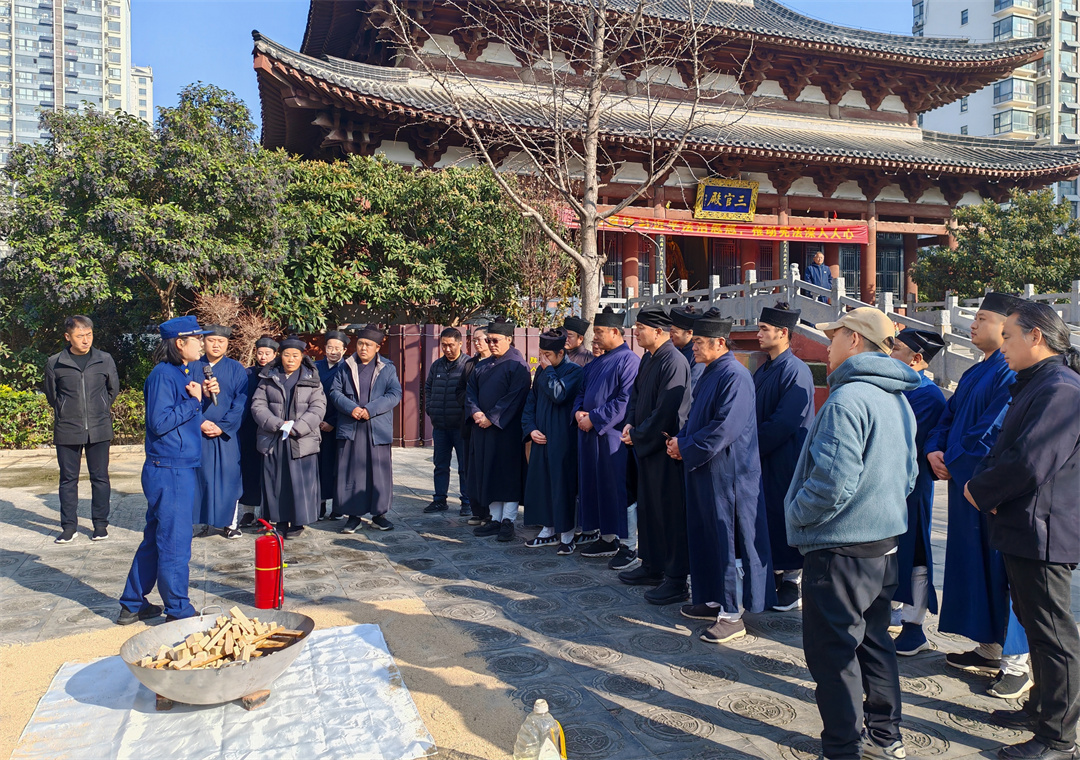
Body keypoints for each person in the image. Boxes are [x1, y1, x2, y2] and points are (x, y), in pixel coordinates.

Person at [785, 307, 920, 760]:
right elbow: (909, 474)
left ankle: (842, 748)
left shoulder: (849, 399)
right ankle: (886, 736)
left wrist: (798, 514)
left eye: (836, 336)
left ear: (856, 341)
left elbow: (832, 482)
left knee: (834, 655)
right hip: (883, 544)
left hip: (839, 547)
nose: (828, 344)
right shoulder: (897, 397)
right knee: (876, 643)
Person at [965, 302, 1080, 760]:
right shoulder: (1036, 384)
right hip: (1025, 524)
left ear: (1036, 337)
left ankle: (1059, 738)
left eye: (1009, 336)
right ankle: (1039, 709)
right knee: (1037, 627)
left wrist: (980, 490)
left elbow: (1031, 461)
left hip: (1044, 528)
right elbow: (1004, 446)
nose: (1003, 346)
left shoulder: (1061, 389)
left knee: (1055, 635)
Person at [926, 291, 1032, 699]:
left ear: (1006, 326)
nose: (973, 324)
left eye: (983, 318)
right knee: (976, 566)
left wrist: (956, 460)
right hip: (963, 483)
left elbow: (992, 430)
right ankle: (990, 646)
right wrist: (936, 449)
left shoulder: (1010, 370)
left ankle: (1018, 662)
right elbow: (947, 417)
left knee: (1004, 570)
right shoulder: (973, 372)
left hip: (989, 486)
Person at [667, 310, 771, 644]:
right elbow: (698, 419)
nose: (693, 348)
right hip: (705, 467)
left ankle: (731, 613)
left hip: (729, 472)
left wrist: (686, 448)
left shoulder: (735, 376)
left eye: (698, 342)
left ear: (720, 342)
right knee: (706, 535)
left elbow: (723, 428)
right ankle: (712, 598)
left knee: (727, 540)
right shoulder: (710, 370)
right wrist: (681, 442)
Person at [117, 316, 212, 625]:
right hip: (169, 469)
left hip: (174, 466)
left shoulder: (179, 372)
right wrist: (194, 403)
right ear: (179, 343)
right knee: (174, 540)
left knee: (156, 536)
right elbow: (159, 423)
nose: (203, 343)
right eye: (197, 338)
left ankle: (133, 602)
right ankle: (178, 609)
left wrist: (201, 398)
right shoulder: (163, 375)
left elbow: (180, 417)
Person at [619, 305, 692, 603]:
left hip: (663, 447)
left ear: (659, 332)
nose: (636, 332)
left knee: (669, 513)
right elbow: (636, 397)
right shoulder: (648, 358)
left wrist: (638, 434)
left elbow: (667, 411)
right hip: (644, 444)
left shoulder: (673, 361)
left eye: (641, 328)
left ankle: (675, 579)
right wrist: (630, 423)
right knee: (648, 509)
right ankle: (651, 565)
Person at [753, 303, 816, 611]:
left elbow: (784, 422)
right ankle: (776, 573)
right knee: (767, 515)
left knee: (784, 514)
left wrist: (752, 445)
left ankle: (793, 579)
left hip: (786, 457)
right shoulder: (764, 367)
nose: (759, 334)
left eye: (765, 329)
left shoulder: (796, 371)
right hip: (762, 457)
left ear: (783, 333)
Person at [889, 328, 947, 656]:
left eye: (896, 349)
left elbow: (906, 444)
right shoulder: (901, 386)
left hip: (912, 487)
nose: (890, 354)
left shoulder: (927, 395)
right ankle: (893, 609)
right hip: (890, 485)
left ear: (917, 359)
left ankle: (914, 626)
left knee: (916, 553)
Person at [44, 315, 119, 543]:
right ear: (68, 337)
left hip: (99, 427)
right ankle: (69, 527)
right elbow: (52, 395)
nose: (85, 340)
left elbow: (112, 390)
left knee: (100, 478)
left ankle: (100, 525)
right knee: (68, 479)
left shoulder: (104, 359)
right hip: (68, 428)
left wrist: (101, 408)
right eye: (80, 336)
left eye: (89, 335)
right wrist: (67, 411)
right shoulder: (55, 362)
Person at [574, 307, 640, 562]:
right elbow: (581, 392)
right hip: (590, 434)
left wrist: (594, 418)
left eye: (600, 332)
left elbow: (625, 400)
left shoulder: (629, 360)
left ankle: (628, 545)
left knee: (618, 489)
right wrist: (579, 413)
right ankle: (607, 537)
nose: (596, 337)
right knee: (596, 487)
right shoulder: (597, 361)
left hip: (612, 436)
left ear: (615, 331)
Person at [251, 336, 326, 538]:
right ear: (280, 356)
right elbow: (258, 405)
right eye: (286, 355)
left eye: (295, 355)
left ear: (302, 357)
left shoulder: (312, 379)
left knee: (300, 482)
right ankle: (280, 520)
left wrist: (297, 427)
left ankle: (298, 521)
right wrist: (277, 424)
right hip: (274, 438)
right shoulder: (268, 377)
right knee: (277, 481)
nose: (290, 359)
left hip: (301, 439)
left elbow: (318, 407)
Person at [330, 325, 402, 533]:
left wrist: (369, 410)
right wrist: (352, 408)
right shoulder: (345, 366)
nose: (363, 348)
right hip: (351, 426)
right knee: (351, 472)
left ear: (378, 347)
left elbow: (394, 394)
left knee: (378, 472)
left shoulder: (387, 368)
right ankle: (353, 516)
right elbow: (334, 392)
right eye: (361, 343)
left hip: (375, 428)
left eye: (369, 345)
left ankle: (379, 514)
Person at [466, 319, 531, 541]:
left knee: (507, 476)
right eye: (489, 340)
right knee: (489, 472)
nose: (491, 344)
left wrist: (492, 418)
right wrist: (475, 412)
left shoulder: (517, 365)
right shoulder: (482, 365)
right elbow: (470, 392)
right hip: (482, 429)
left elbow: (515, 397)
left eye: (495, 340)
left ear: (509, 340)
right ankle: (494, 518)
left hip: (506, 431)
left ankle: (508, 521)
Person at [522, 328, 584, 554]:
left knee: (562, 485)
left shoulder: (574, 371)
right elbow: (531, 402)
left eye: (547, 354)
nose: (543, 358)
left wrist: (548, 371)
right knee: (543, 484)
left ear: (561, 352)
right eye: (541, 353)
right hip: (541, 437)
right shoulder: (541, 371)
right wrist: (531, 429)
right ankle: (548, 529)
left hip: (563, 438)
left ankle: (567, 534)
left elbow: (559, 395)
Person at [193, 325, 247, 540]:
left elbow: (241, 401)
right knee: (200, 476)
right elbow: (183, 399)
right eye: (212, 340)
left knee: (229, 477)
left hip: (226, 433)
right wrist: (200, 422)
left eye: (221, 341)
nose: (216, 345)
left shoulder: (236, 368)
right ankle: (202, 521)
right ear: (203, 342)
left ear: (227, 344)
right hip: (199, 431)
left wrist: (224, 426)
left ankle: (230, 523)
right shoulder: (192, 367)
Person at [424, 327, 470, 515]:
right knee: (440, 465)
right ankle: (439, 499)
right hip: (440, 425)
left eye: (451, 345)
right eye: (444, 345)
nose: (447, 349)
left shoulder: (468, 365)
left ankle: (467, 502)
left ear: (460, 343)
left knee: (464, 467)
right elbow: (428, 388)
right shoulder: (437, 366)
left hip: (461, 426)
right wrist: (430, 408)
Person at [237, 336, 278, 528]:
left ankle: (268, 513)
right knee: (249, 470)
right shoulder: (247, 374)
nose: (262, 357)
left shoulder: (279, 374)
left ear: (275, 354)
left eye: (267, 353)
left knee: (269, 472)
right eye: (260, 353)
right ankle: (248, 512)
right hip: (249, 429)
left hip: (271, 430)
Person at [457, 327, 490, 524]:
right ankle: (477, 510)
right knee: (471, 469)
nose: (477, 343)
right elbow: (460, 390)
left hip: (490, 422)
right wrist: (472, 406)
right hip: (471, 421)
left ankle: (490, 512)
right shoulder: (470, 364)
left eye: (481, 339)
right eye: (474, 339)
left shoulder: (499, 363)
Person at [316, 330, 348, 521]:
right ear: (324, 348)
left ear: (344, 350)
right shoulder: (315, 367)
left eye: (338, 348)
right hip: (316, 423)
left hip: (339, 424)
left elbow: (348, 398)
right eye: (330, 347)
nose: (333, 351)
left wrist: (333, 422)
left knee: (338, 467)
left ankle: (338, 505)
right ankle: (318, 504)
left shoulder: (348, 369)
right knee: (318, 466)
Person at [670, 307, 705, 389]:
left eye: (673, 331)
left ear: (689, 333)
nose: (669, 334)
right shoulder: (675, 351)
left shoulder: (697, 355)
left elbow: (692, 385)